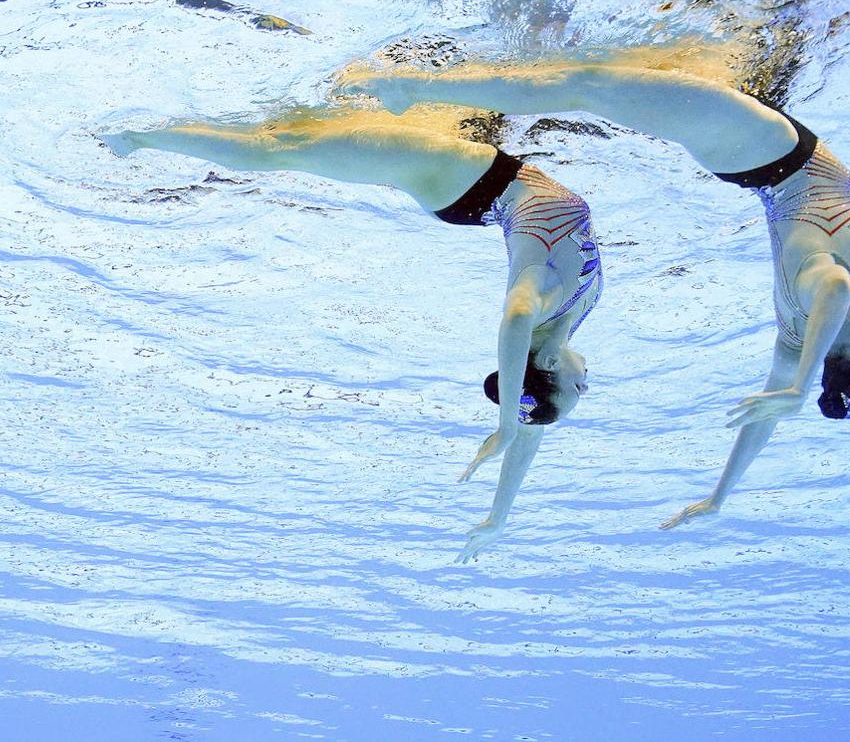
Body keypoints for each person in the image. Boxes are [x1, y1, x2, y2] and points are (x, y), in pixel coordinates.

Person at [334, 55, 850, 527]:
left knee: (585, 85)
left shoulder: (820, 313)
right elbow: (763, 423)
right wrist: (720, 495)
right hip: (762, 159)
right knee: (615, 80)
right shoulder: (794, 341)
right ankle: (418, 92)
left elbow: (834, 283)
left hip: (774, 154)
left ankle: (413, 87)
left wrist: (800, 387)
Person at [99, 104, 602, 560]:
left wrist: (508, 426)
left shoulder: (546, 303)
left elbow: (514, 321)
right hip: (482, 185)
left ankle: (134, 137)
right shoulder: (564, 322)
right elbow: (533, 429)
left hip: (467, 180)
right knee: (298, 129)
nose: (590, 383)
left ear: (553, 367)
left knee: (276, 151)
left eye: (581, 389)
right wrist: (500, 517)